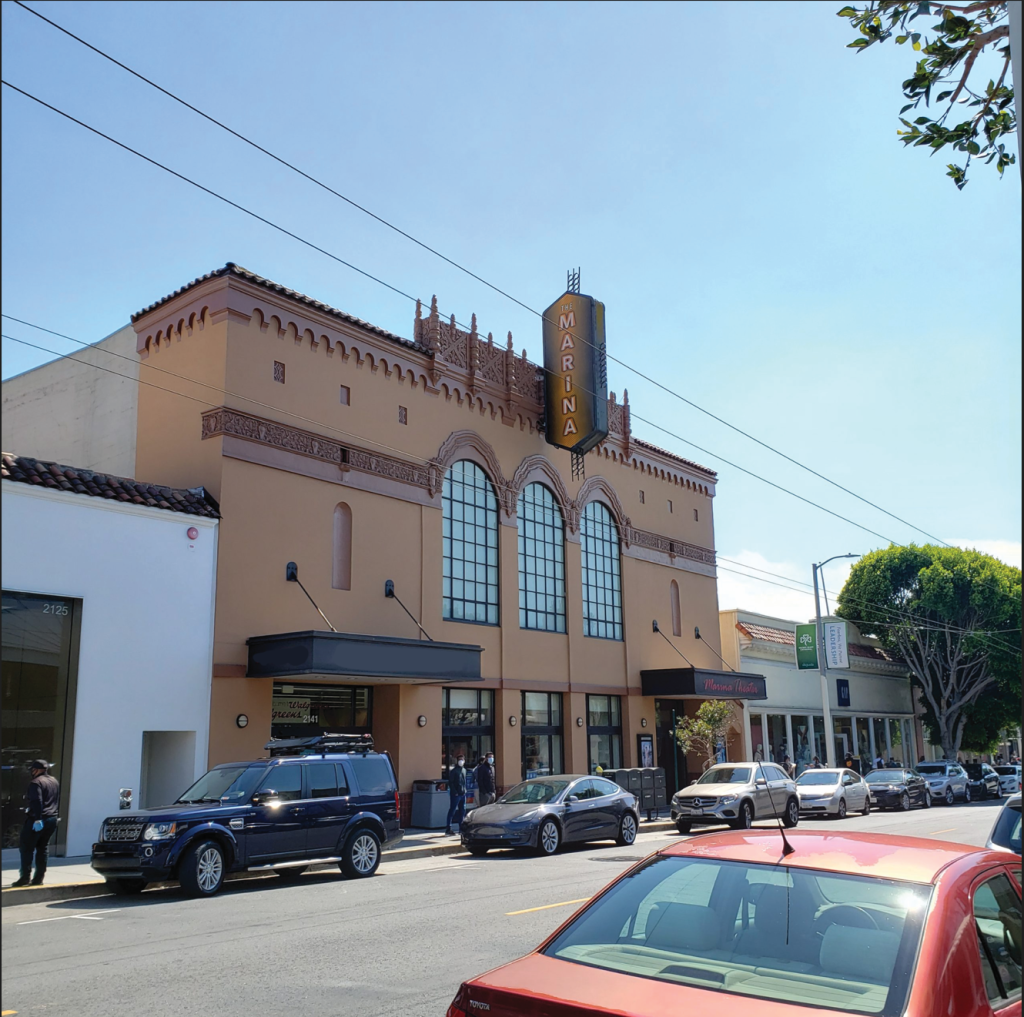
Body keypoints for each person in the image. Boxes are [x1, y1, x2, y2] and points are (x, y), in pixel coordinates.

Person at [12, 759, 60, 887]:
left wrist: (37, 818)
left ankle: (25, 877)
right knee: (43, 848)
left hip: (38, 819)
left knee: (26, 848)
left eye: (32, 769)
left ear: (37, 770)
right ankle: (38, 878)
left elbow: (37, 801)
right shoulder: (54, 781)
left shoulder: (36, 783)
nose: (31, 772)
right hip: (52, 818)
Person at [444, 754, 468, 836]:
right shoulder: (454, 771)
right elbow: (451, 783)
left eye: (462, 759)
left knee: (462, 811)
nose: (461, 761)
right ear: (457, 761)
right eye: (459, 759)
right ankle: (448, 828)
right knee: (452, 810)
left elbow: (464, 782)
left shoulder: (464, 770)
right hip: (456, 794)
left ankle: (461, 828)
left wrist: (465, 790)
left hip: (463, 794)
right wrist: (455, 792)